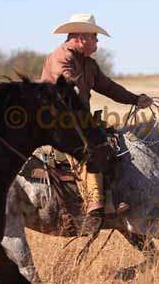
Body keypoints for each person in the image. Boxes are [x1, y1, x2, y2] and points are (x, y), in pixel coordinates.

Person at [41, 13, 153, 232]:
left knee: (116, 142)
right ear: (82, 37)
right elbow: (65, 83)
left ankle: (114, 197)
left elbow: (108, 87)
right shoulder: (60, 58)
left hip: (79, 120)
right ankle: (94, 206)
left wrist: (135, 99)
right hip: (57, 121)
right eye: (94, 37)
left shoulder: (89, 64)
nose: (97, 42)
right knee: (90, 147)